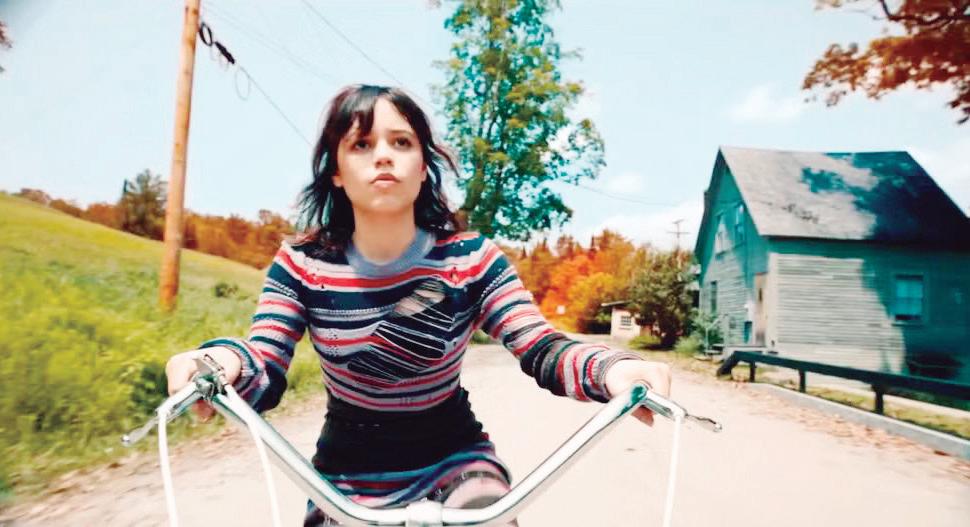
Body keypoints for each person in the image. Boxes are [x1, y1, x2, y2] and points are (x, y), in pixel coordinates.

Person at [166, 84, 672, 526]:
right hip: (347, 471)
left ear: (424, 166)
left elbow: (541, 346)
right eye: (361, 144)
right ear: (336, 170)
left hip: (455, 460)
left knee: (489, 517)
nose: (383, 156)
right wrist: (217, 364)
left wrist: (613, 369)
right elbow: (264, 359)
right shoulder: (302, 264)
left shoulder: (471, 260)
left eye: (401, 142)